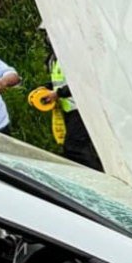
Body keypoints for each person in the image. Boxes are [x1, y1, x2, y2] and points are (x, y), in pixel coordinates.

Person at [38, 27, 102, 170]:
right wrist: (46, 89)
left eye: (48, 33)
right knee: (76, 147)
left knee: (74, 147)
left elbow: (82, 82)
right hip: (68, 109)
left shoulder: (72, 55)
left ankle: (96, 175)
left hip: (82, 108)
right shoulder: (54, 57)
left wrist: (58, 93)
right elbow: (59, 82)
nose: (46, 38)